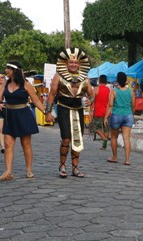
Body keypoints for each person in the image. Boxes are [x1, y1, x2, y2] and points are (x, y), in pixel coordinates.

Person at [45, 48, 93, 178]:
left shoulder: (85, 78)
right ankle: (62, 165)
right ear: (66, 63)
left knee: (77, 140)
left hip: (78, 110)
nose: (73, 65)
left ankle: (75, 168)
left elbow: (91, 94)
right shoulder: (58, 76)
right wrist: (47, 112)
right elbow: (51, 94)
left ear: (79, 64)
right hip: (63, 108)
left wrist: (90, 101)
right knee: (66, 138)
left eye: (76, 62)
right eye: (71, 62)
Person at [0, 62, 45, 181]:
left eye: (8, 69)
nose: (6, 71)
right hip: (9, 115)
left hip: (23, 115)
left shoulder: (26, 84)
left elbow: (36, 101)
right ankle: (8, 172)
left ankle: (29, 170)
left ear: (14, 71)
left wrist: (46, 113)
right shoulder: (6, 83)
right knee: (7, 145)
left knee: (25, 144)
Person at [104, 72, 135, 166]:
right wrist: (131, 114)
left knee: (114, 137)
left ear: (117, 80)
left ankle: (114, 157)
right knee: (126, 138)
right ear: (126, 80)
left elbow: (110, 105)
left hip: (116, 115)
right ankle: (127, 160)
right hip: (128, 115)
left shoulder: (113, 91)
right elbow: (133, 105)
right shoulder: (131, 91)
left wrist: (106, 117)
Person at [91, 74, 110, 149]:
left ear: (99, 80)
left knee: (96, 127)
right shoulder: (109, 90)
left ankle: (104, 138)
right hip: (107, 112)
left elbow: (92, 101)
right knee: (106, 128)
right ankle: (104, 145)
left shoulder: (96, 89)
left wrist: (90, 111)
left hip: (98, 112)